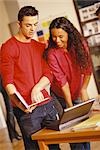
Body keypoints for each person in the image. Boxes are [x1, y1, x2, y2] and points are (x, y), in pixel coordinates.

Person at [0, 6, 60, 150]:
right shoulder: (8, 47)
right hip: (27, 110)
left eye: (35, 24)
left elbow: (48, 74)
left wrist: (37, 88)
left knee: (54, 147)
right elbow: (8, 82)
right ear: (18, 24)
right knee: (34, 147)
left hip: (47, 104)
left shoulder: (40, 46)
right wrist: (19, 104)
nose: (32, 29)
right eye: (28, 25)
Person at [44, 17, 93, 150]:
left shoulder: (80, 44)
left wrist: (83, 89)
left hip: (77, 90)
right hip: (60, 94)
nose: (57, 40)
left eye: (61, 36)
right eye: (54, 37)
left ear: (69, 34)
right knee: (71, 127)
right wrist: (70, 107)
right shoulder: (52, 53)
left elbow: (87, 68)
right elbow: (62, 81)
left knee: (82, 127)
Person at [0, 76, 22, 142]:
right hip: (4, 86)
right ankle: (12, 134)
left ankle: (13, 134)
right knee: (10, 110)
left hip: (3, 86)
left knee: (10, 110)